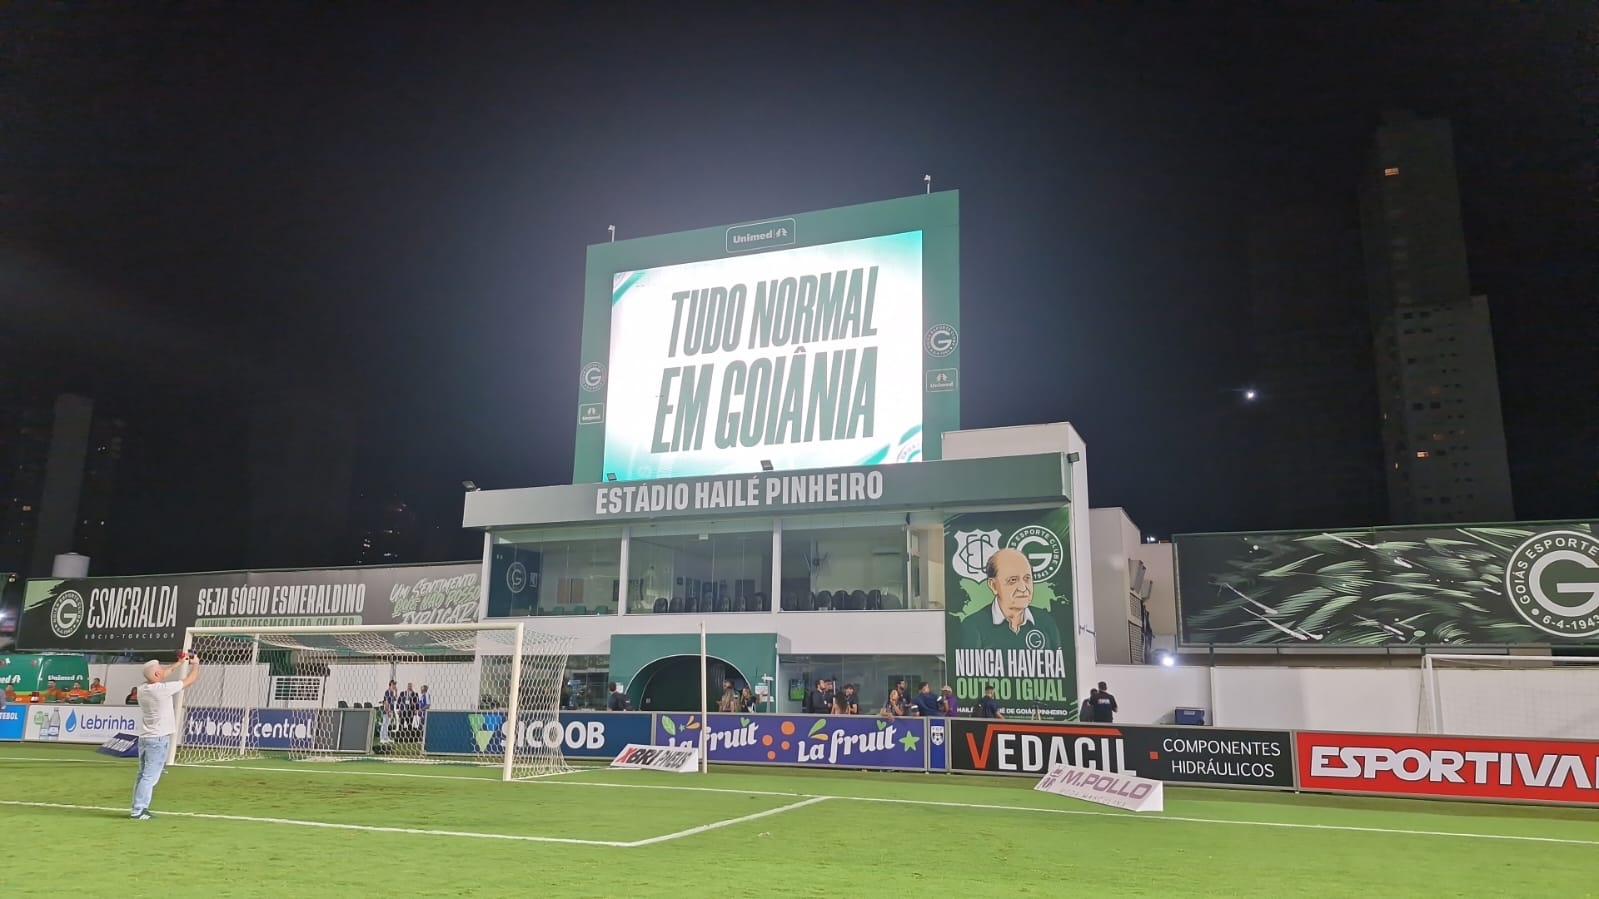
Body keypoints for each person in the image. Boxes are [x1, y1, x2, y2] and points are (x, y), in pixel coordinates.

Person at [131, 653, 200, 820]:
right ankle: (138, 810)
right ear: (156, 674)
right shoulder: (160, 690)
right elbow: (189, 680)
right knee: (149, 777)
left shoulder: (142, 688)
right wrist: (196, 664)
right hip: (158, 739)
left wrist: (179, 663)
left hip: (146, 738)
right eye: (160, 669)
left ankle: (137, 808)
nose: (163, 670)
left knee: (143, 775)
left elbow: (161, 674)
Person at [960, 548, 1063, 653]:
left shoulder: (1046, 622)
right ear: (993, 585)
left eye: (1027, 578)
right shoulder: (974, 626)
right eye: (1013, 580)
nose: (1023, 588)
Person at [380, 680, 398, 744]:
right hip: (387, 711)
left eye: (395, 685)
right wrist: (388, 711)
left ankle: (386, 737)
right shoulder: (387, 692)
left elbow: (395, 699)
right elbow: (386, 702)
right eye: (394, 685)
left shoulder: (392, 692)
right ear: (391, 685)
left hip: (391, 710)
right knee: (384, 724)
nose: (395, 686)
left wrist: (396, 691)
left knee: (387, 725)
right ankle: (382, 738)